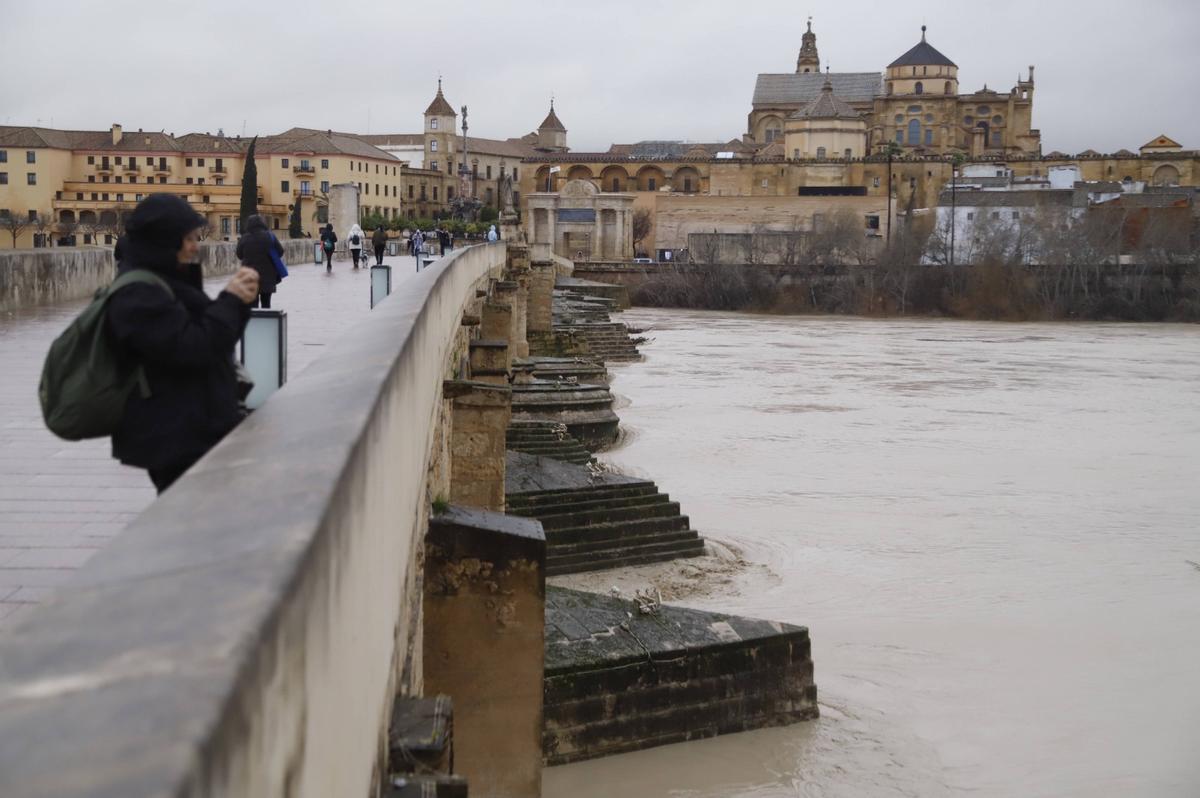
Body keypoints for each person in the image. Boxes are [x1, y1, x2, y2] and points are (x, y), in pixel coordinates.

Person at [105, 194, 258, 493]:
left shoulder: (166, 282)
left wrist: (239, 304)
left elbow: (215, 341)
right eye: (188, 238)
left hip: (194, 428)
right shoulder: (138, 294)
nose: (194, 246)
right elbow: (194, 346)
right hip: (175, 437)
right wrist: (230, 300)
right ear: (163, 241)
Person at [235, 214, 283, 308]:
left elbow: (239, 255)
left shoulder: (244, 238)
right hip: (268, 277)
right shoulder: (270, 236)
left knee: (252, 305)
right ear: (262, 224)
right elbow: (280, 252)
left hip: (249, 277)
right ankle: (266, 321)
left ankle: (255, 322)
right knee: (266, 303)